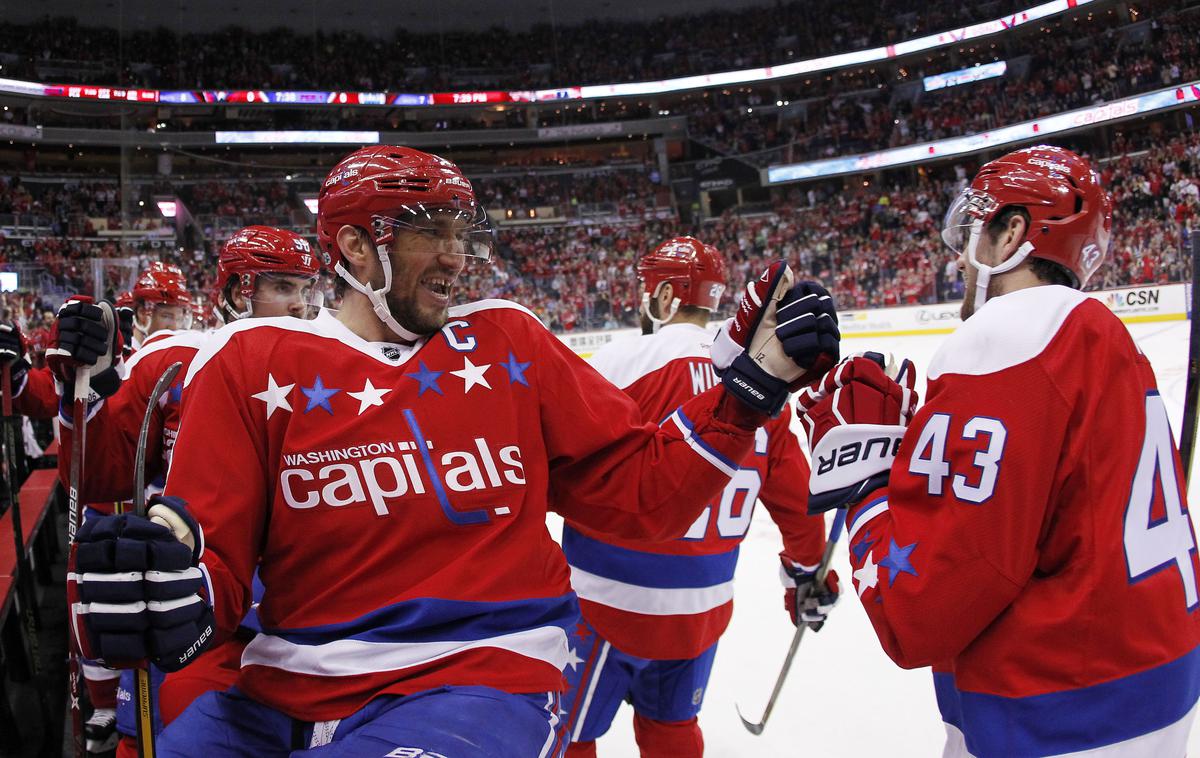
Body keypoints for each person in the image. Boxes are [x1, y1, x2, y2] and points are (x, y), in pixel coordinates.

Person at [66, 145, 837, 757]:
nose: (456, 255)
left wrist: (750, 392)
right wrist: (175, 593)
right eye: (429, 230)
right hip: (282, 692)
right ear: (355, 247)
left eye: (460, 231)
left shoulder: (507, 340)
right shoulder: (251, 364)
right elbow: (217, 560)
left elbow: (640, 492)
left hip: (484, 676)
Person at [798, 145, 1200, 757]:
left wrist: (866, 476)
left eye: (976, 233)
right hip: (1153, 699)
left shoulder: (1010, 336)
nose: (961, 258)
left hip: (1055, 719)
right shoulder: (1104, 337)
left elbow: (918, 615)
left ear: (1014, 232)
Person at [559, 237, 839, 757]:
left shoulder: (624, 361)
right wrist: (806, 574)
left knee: (570, 737)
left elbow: (565, 460)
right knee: (672, 731)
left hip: (605, 601)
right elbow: (799, 500)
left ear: (665, 295)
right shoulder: (761, 380)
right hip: (702, 608)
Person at [54, 228, 322, 756]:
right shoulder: (174, 363)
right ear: (237, 290)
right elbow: (99, 476)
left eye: (306, 289)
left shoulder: (333, 364)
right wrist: (82, 391)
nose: (300, 305)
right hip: (203, 606)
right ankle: (106, 708)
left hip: (310, 610)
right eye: (284, 288)